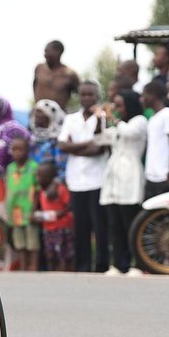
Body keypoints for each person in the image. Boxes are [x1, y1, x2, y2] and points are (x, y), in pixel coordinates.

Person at [58, 81, 109, 273]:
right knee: (80, 227)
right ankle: (83, 265)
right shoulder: (71, 119)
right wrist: (87, 145)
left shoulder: (102, 117)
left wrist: (76, 148)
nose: (87, 98)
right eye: (83, 94)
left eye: (91, 94)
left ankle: (102, 265)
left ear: (97, 96)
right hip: (76, 180)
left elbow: (100, 148)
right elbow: (62, 145)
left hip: (97, 179)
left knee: (99, 226)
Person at [99, 90, 146, 276]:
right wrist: (100, 118)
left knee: (131, 223)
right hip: (114, 177)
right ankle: (119, 264)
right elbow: (102, 137)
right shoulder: (118, 126)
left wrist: (113, 118)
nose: (116, 109)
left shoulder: (139, 121)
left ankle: (138, 264)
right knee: (115, 224)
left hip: (130, 175)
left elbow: (128, 132)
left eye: (119, 105)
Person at [4, 136, 40, 271]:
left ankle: (33, 267)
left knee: (32, 242)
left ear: (27, 150)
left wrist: (34, 210)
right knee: (19, 242)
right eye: (14, 150)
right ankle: (24, 267)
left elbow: (37, 190)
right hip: (15, 211)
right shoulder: (10, 168)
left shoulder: (33, 167)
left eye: (20, 150)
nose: (17, 153)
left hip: (28, 209)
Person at [34, 160, 73, 272]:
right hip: (48, 228)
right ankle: (52, 273)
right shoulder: (42, 190)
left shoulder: (60, 189)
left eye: (41, 176)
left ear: (50, 177)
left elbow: (70, 204)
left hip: (62, 227)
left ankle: (63, 273)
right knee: (50, 253)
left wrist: (60, 213)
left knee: (63, 253)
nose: (38, 178)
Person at [140, 80, 169, 199]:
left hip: (163, 177)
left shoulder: (167, 115)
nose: (142, 99)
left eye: (144, 95)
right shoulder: (152, 117)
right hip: (151, 176)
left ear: (153, 95)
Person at [33, 40, 80, 111]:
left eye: (47, 51)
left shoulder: (69, 74)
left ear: (58, 52)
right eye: (45, 51)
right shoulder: (39, 68)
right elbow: (34, 86)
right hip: (39, 115)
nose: (45, 55)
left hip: (59, 117)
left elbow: (81, 93)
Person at [28, 98, 67, 181]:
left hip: (49, 186)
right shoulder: (31, 138)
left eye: (41, 112)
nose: (36, 115)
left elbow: (62, 167)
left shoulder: (56, 140)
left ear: (50, 116)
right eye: (36, 111)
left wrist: (56, 183)